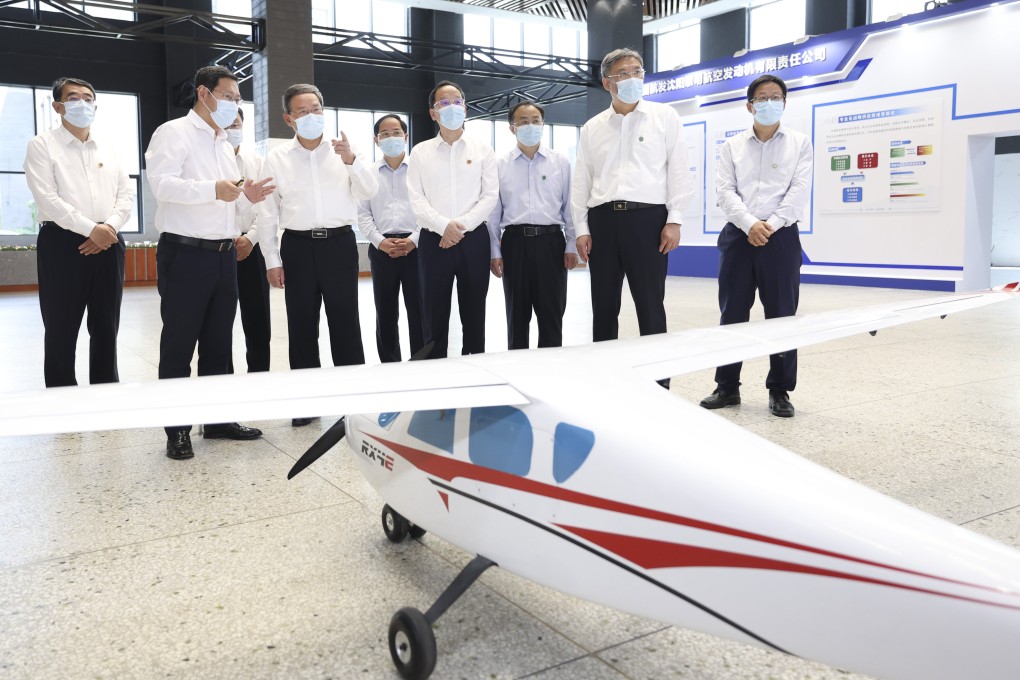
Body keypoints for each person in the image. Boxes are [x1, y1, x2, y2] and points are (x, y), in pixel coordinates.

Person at [145, 65, 276, 460]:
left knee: (219, 345)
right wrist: (214, 189)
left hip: (223, 256)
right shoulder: (174, 132)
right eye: (230, 96)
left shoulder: (223, 143)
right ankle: (178, 430)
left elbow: (226, 195)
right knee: (179, 344)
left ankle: (217, 420)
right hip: (186, 253)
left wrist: (243, 196)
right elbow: (162, 184)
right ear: (205, 93)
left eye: (238, 99)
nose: (235, 104)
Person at [257, 83, 378, 426]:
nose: (311, 116)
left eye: (316, 110)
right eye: (302, 111)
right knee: (301, 326)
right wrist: (272, 261)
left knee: (345, 323)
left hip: (339, 245)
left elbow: (370, 190)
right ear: (288, 119)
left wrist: (351, 160)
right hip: (296, 246)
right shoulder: (276, 158)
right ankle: (307, 403)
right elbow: (268, 213)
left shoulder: (344, 152)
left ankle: (352, 401)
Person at [571, 47, 693, 387]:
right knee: (604, 307)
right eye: (623, 73)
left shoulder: (664, 116)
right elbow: (582, 180)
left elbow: (679, 171)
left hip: (648, 221)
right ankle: (605, 380)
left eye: (637, 71)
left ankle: (658, 384)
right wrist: (581, 228)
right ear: (607, 82)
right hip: (603, 221)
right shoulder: (593, 127)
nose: (632, 78)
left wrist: (675, 219)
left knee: (650, 304)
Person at [699, 74, 812, 418]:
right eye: (762, 97)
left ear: (784, 103)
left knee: (781, 316)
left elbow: (798, 190)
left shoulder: (800, 143)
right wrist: (750, 224)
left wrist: (770, 225)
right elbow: (724, 192)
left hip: (781, 238)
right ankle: (727, 387)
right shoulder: (731, 146)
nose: (769, 102)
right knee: (732, 314)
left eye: (776, 97)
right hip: (738, 237)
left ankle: (780, 390)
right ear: (750, 105)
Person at [24, 77, 135, 389]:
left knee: (106, 325)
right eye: (74, 98)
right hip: (62, 243)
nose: (82, 103)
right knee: (61, 325)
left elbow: (125, 196)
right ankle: (61, 395)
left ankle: (105, 389)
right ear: (58, 106)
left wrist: (108, 228)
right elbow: (48, 199)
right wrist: (92, 230)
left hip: (110, 241)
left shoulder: (109, 146)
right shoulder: (42, 145)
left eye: (88, 98)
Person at [406, 80, 498, 358]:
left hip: (474, 241)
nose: (452, 108)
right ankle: (434, 368)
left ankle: (475, 365)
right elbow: (416, 199)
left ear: (465, 109)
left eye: (457, 102)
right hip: (434, 242)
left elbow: (490, 196)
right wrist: (443, 226)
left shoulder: (483, 149)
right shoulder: (420, 152)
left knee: (474, 310)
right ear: (433, 113)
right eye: (444, 103)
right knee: (433, 311)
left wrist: (459, 228)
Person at [488, 101, 577, 349]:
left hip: (551, 242)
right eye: (524, 121)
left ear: (543, 124)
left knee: (552, 313)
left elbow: (570, 205)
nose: (531, 125)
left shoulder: (560, 162)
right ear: (512, 128)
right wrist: (495, 252)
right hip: (514, 243)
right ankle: (519, 371)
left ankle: (550, 371)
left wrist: (571, 244)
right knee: (517, 315)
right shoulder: (500, 165)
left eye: (536, 120)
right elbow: (494, 213)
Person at [358, 114, 424, 363]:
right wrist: (380, 242)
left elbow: (429, 208)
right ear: (376, 140)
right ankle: (389, 363)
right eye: (385, 134)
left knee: (419, 310)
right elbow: (363, 214)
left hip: (416, 248)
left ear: (405, 137)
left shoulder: (419, 172)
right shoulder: (367, 173)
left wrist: (414, 240)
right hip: (381, 248)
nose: (391, 137)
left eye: (396, 132)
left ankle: (421, 360)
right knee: (385, 311)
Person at [225, 109, 271, 373]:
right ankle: (225, 377)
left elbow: (267, 205)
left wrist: (250, 238)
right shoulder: (209, 160)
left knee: (257, 319)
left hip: (252, 249)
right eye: (228, 123)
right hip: (220, 248)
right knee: (220, 321)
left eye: (237, 123)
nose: (232, 128)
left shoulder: (257, 161)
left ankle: (259, 375)